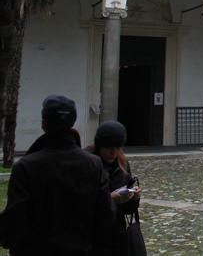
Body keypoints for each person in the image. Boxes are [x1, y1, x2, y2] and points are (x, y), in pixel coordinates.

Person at [0, 95, 116, 255]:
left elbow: (15, 221)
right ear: (73, 123)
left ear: (43, 124)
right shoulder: (93, 164)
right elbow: (105, 214)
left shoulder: (26, 166)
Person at [86, 120, 142, 256]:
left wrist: (133, 198)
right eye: (109, 147)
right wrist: (110, 199)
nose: (113, 152)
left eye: (118, 148)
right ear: (99, 145)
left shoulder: (122, 165)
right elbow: (80, 206)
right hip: (93, 238)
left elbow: (127, 211)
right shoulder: (87, 164)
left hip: (117, 236)